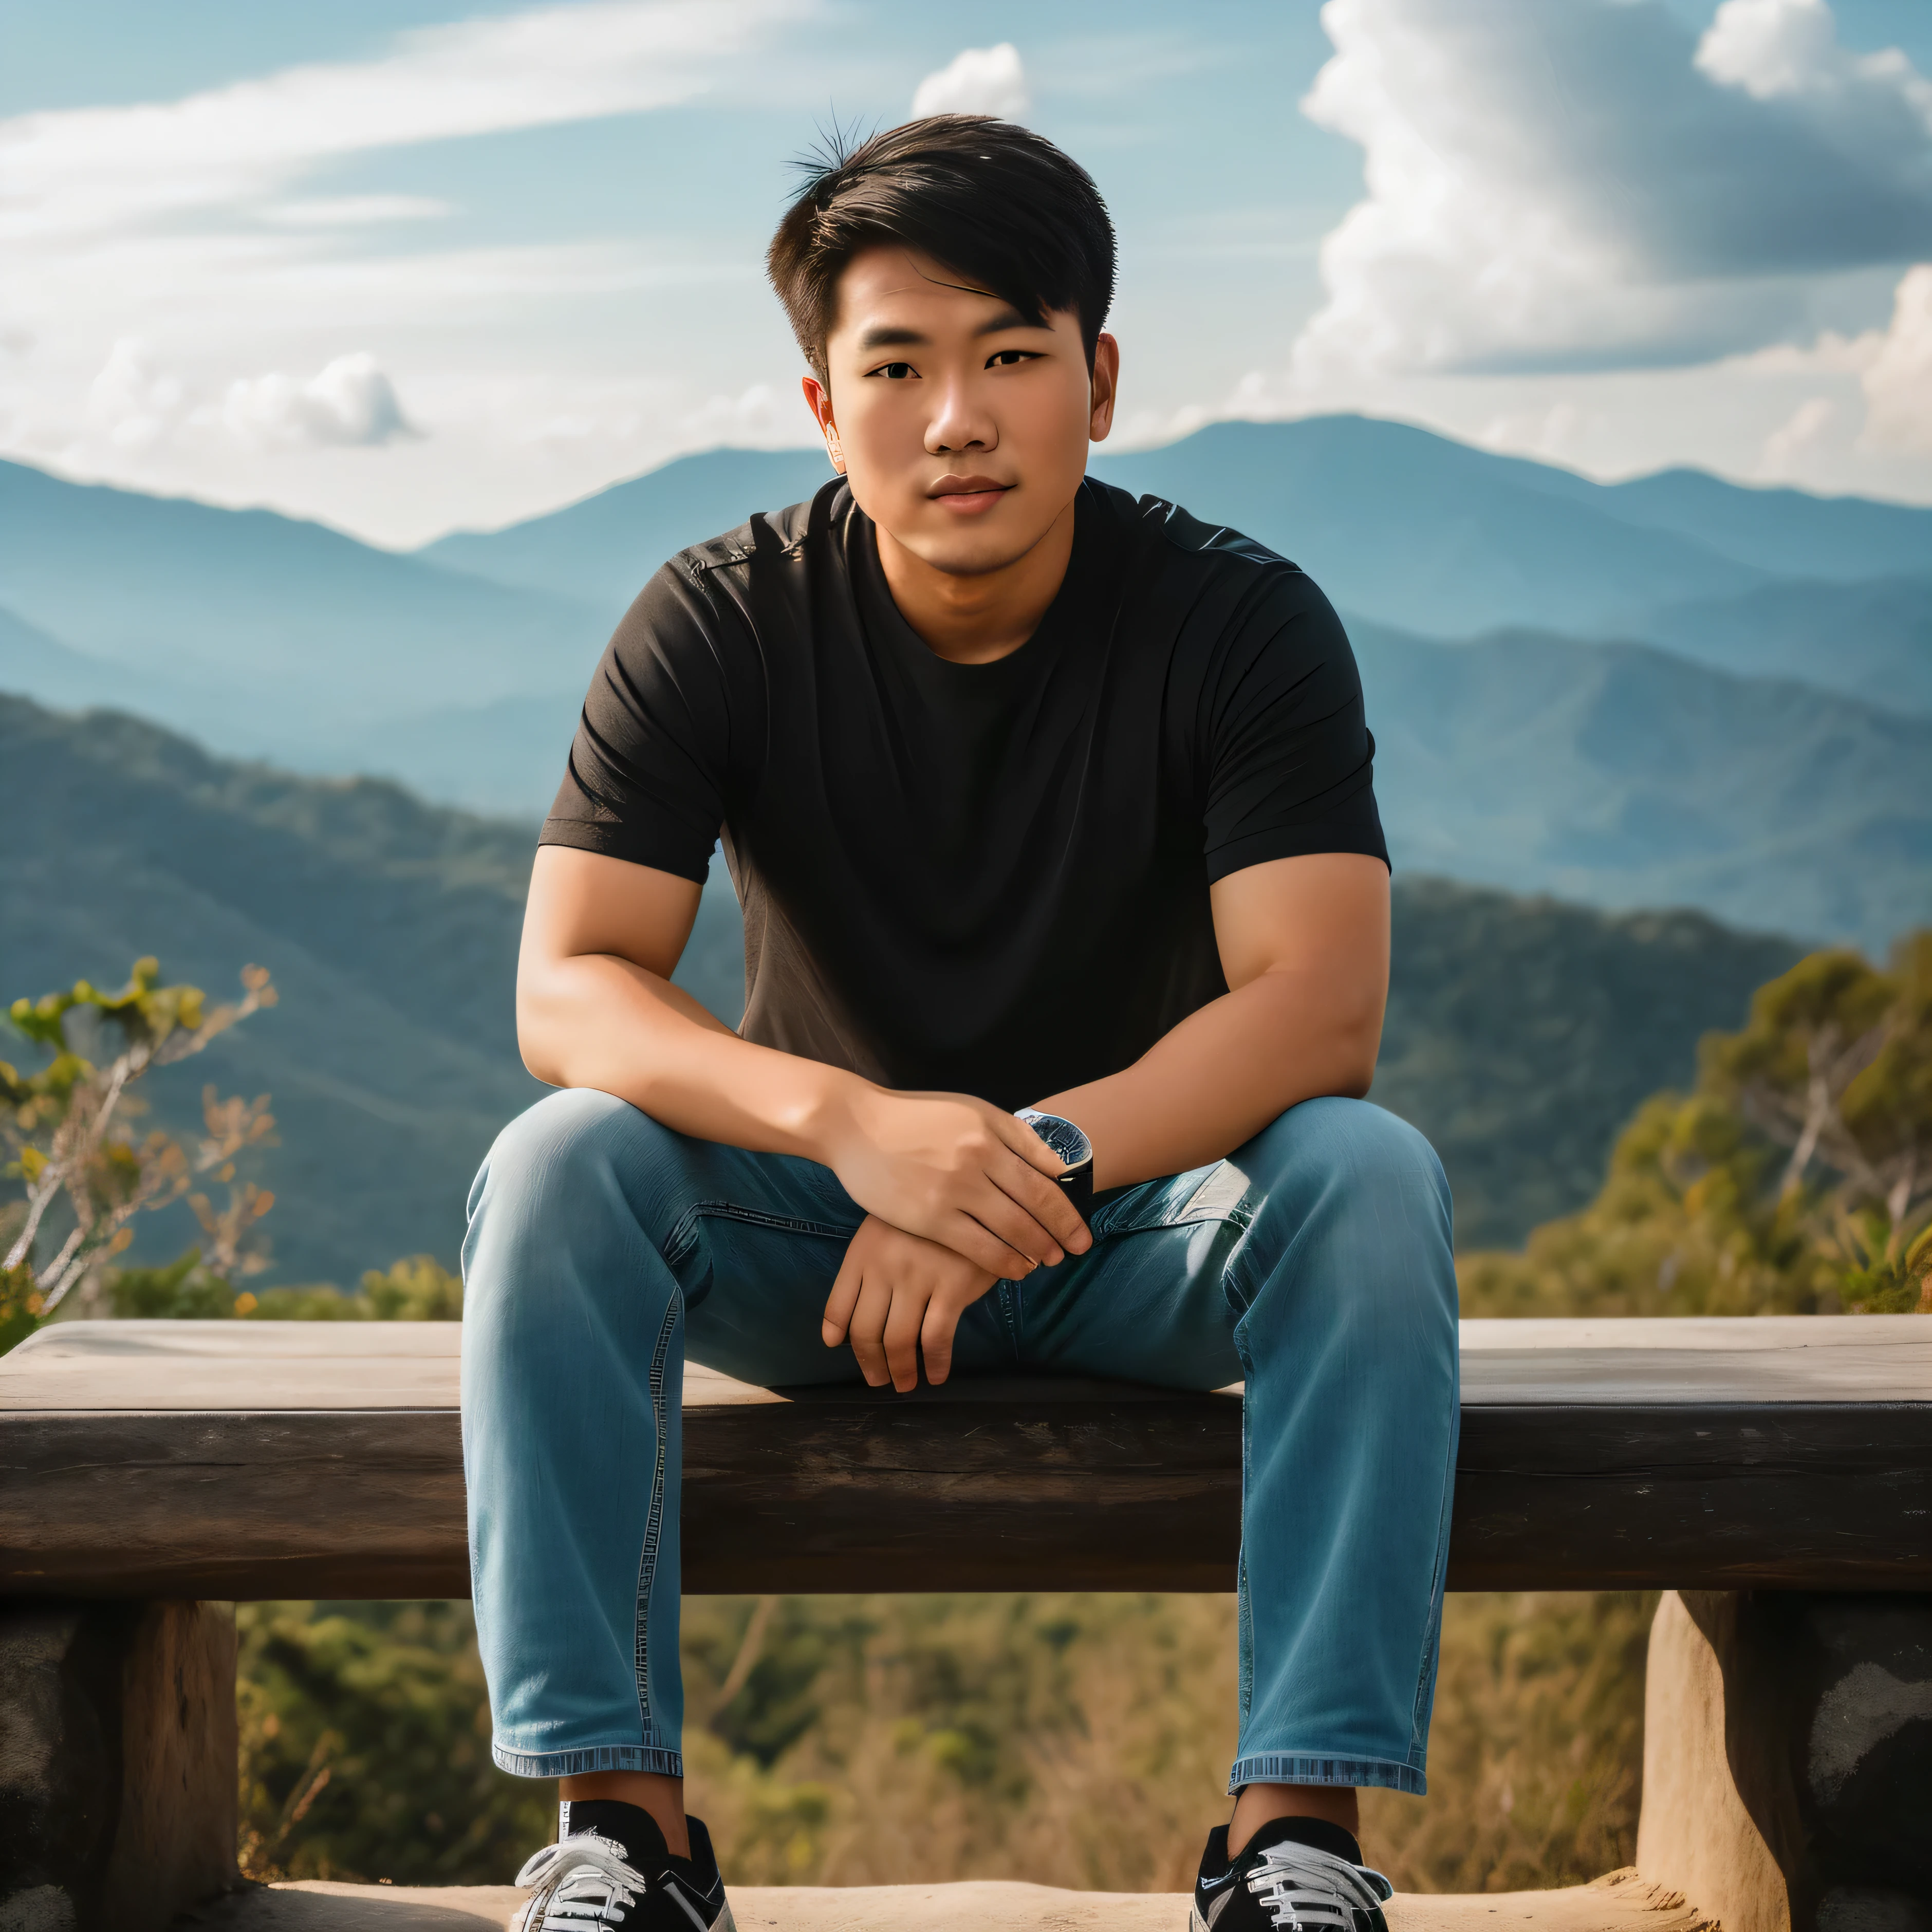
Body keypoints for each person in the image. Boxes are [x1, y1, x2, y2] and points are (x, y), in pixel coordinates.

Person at [463, 115, 1458, 1932]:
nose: (958, 417)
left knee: (1365, 1176)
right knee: (560, 1168)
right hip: (814, 1240)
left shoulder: (1239, 623)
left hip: (1136, 1223)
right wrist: (858, 1131)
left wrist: (1021, 1167)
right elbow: (569, 984)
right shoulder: (721, 618)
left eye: (1011, 355)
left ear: (1101, 377)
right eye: (897, 366)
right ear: (821, 403)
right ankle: (625, 1837)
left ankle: (1293, 1841)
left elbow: (1320, 1009)